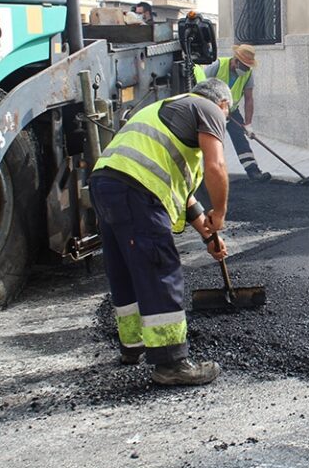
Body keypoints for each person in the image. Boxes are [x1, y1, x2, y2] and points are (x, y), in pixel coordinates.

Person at [89, 78, 232, 386]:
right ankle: (171, 364)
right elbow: (216, 166)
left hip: (105, 184)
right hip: (136, 190)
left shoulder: (169, 111)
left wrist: (209, 236)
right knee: (159, 268)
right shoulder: (208, 108)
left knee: (125, 269)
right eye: (226, 114)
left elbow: (185, 197)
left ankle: (133, 346)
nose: (224, 122)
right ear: (222, 105)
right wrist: (219, 214)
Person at [194, 44, 271, 182]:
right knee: (213, 140)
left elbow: (249, 99)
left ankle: (253, 171)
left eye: (248, 67)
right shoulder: (217, 66)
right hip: (211, 111)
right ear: (235, 61)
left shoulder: (247, 74)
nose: (246, 70)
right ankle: (209, 175)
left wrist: (248, 124)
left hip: (232, 111)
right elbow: (200, 88)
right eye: (244, 66)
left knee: (240, 139)